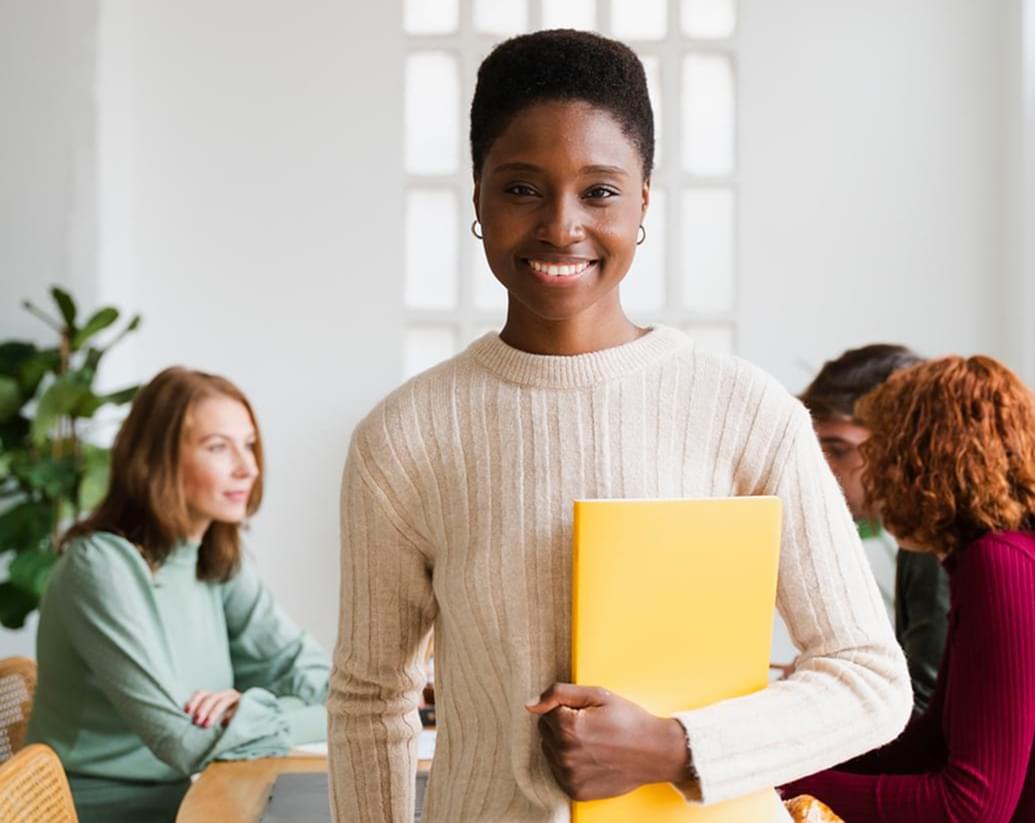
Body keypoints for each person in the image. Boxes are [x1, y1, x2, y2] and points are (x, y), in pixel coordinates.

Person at [327, 29, 911, 823]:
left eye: (599, 190)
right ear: (477, 199)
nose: (561, 225)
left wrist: (675, 746)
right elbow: (370, 698)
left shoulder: (745, 410)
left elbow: (870, 679)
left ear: (643, 202)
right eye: (522, 188)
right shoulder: (407, 436)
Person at [784, 356, 1035, 822]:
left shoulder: (1004, 567)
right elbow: (930, 745)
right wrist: (787, 764)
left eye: (881, 452)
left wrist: (783, 780)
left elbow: (971, 808)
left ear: (919, 461)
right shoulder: (1002, 554)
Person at [26, 367, 330, 823]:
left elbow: (328, 684)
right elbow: (183, 741)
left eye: (248, 444)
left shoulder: (211, 558)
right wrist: (283, 712)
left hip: (197, 796)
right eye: (218, 447)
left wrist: (246, 711)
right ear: (157, 460)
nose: (248, 467)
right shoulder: (100, 568)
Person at [798, 344, 949, 714]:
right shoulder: (922, 528)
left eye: (838, 449)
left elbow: (922, 707)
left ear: (899, 442)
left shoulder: (938, 536)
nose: (825, 469)